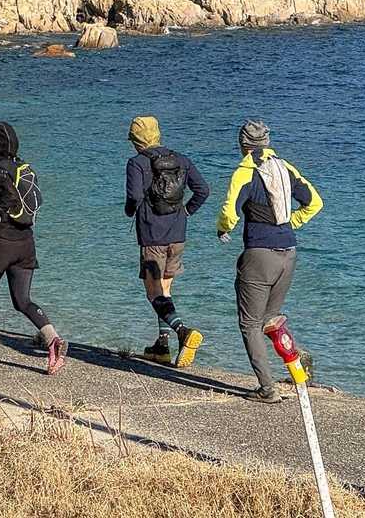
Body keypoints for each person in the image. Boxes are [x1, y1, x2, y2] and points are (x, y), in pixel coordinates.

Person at [218, 119, 323, 403]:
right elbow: (314, 202)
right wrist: (291, 223)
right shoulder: (285, 167)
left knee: (250, 324)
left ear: (242, 144)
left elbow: (230, 211)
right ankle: (298, 369)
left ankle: (267, 389)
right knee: (270, 321)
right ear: (267, 141)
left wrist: (223, 229)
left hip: (260, 255)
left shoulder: (245, 171)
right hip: (288, 252)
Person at [0, 121, 67, 374]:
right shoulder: (23, 167)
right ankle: (53, 340)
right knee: (23, 300)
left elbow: (8, 197)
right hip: (25, 243)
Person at [124, 115, 210, 368]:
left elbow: (134, 196)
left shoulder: (137, 162)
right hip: (178, 234)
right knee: (165, 290)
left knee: (153, 293)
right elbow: (203, 190)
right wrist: (187, 211)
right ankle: (162, 347)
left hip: (153, 236)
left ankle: (183, 331)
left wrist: (129, 211)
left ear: (136, 140)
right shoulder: (181, 159)